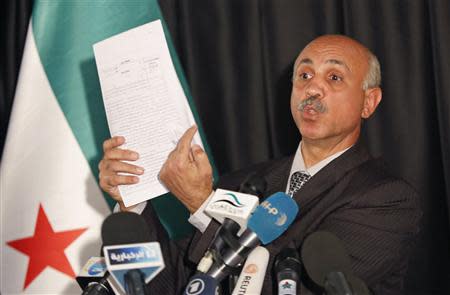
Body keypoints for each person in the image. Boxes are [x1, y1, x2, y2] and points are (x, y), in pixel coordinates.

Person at [98, 35, 421, 294]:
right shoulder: (245, 183)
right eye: (304, 75)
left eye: (334, 77)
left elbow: (292, 288)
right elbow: (170, 285)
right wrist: (133, 199)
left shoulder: (387, 199)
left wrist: (202, 205)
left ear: (369, 102)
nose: (312, 88)